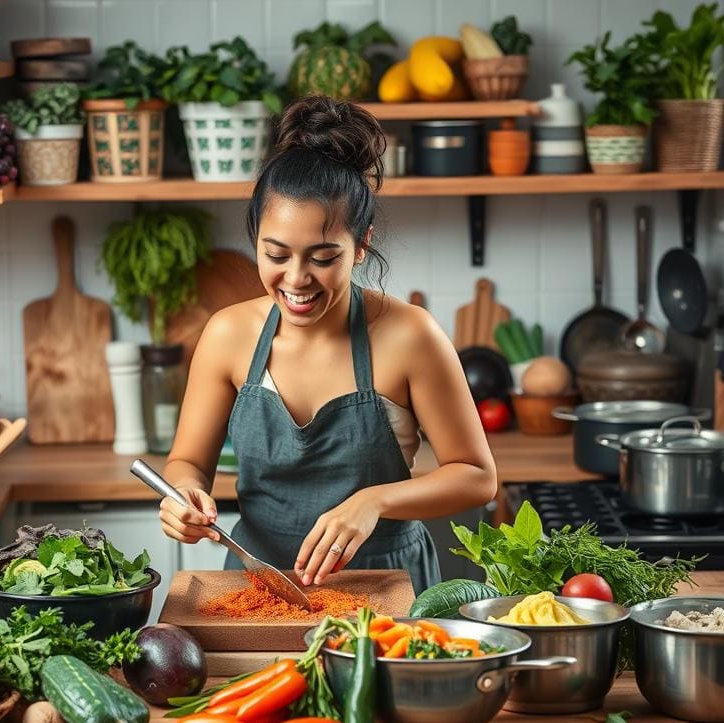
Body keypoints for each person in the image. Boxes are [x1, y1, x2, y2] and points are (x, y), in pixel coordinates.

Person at [159, 96, 497, 595]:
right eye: (276, 254)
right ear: (256, 239)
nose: (296, 279)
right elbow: (187, 463)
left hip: (385, 587)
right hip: (259, 586)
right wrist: (183, 494)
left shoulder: (410, 335)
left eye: (323, 257)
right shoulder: (228, 335)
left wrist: (375, 501)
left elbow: (475, 476)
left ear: (361, 246)